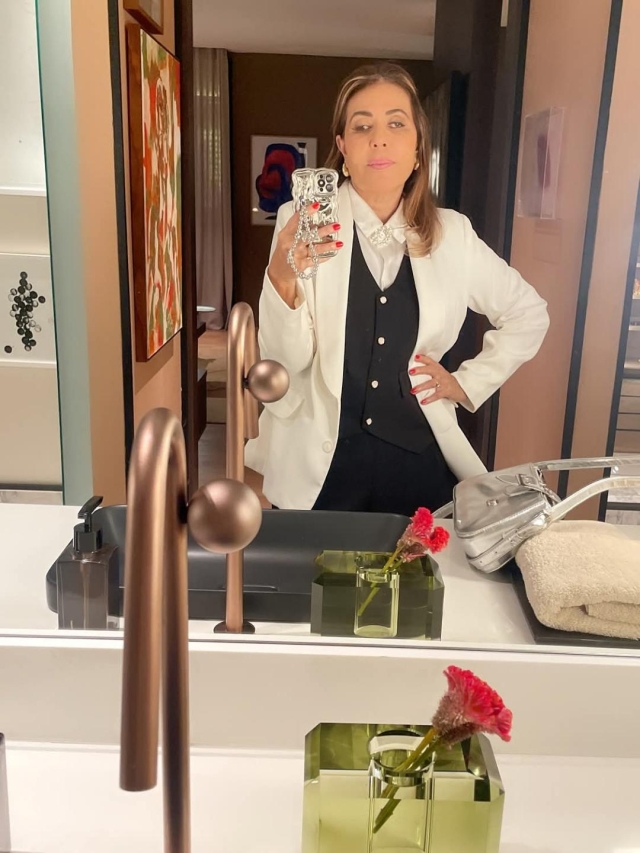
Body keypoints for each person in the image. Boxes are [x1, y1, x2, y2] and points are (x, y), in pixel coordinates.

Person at [245, 63, 549, 515]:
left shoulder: (453, 234)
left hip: (419, 463)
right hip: (321, 463)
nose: (379, 139)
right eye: (362, 126)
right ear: (343, 147)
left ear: (417, 148)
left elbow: (529, 313)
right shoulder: (301, 221)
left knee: (420, 562)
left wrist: (466, 383)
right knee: (320, 562)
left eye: (396, 124)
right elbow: (285, 361)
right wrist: (281, 278)